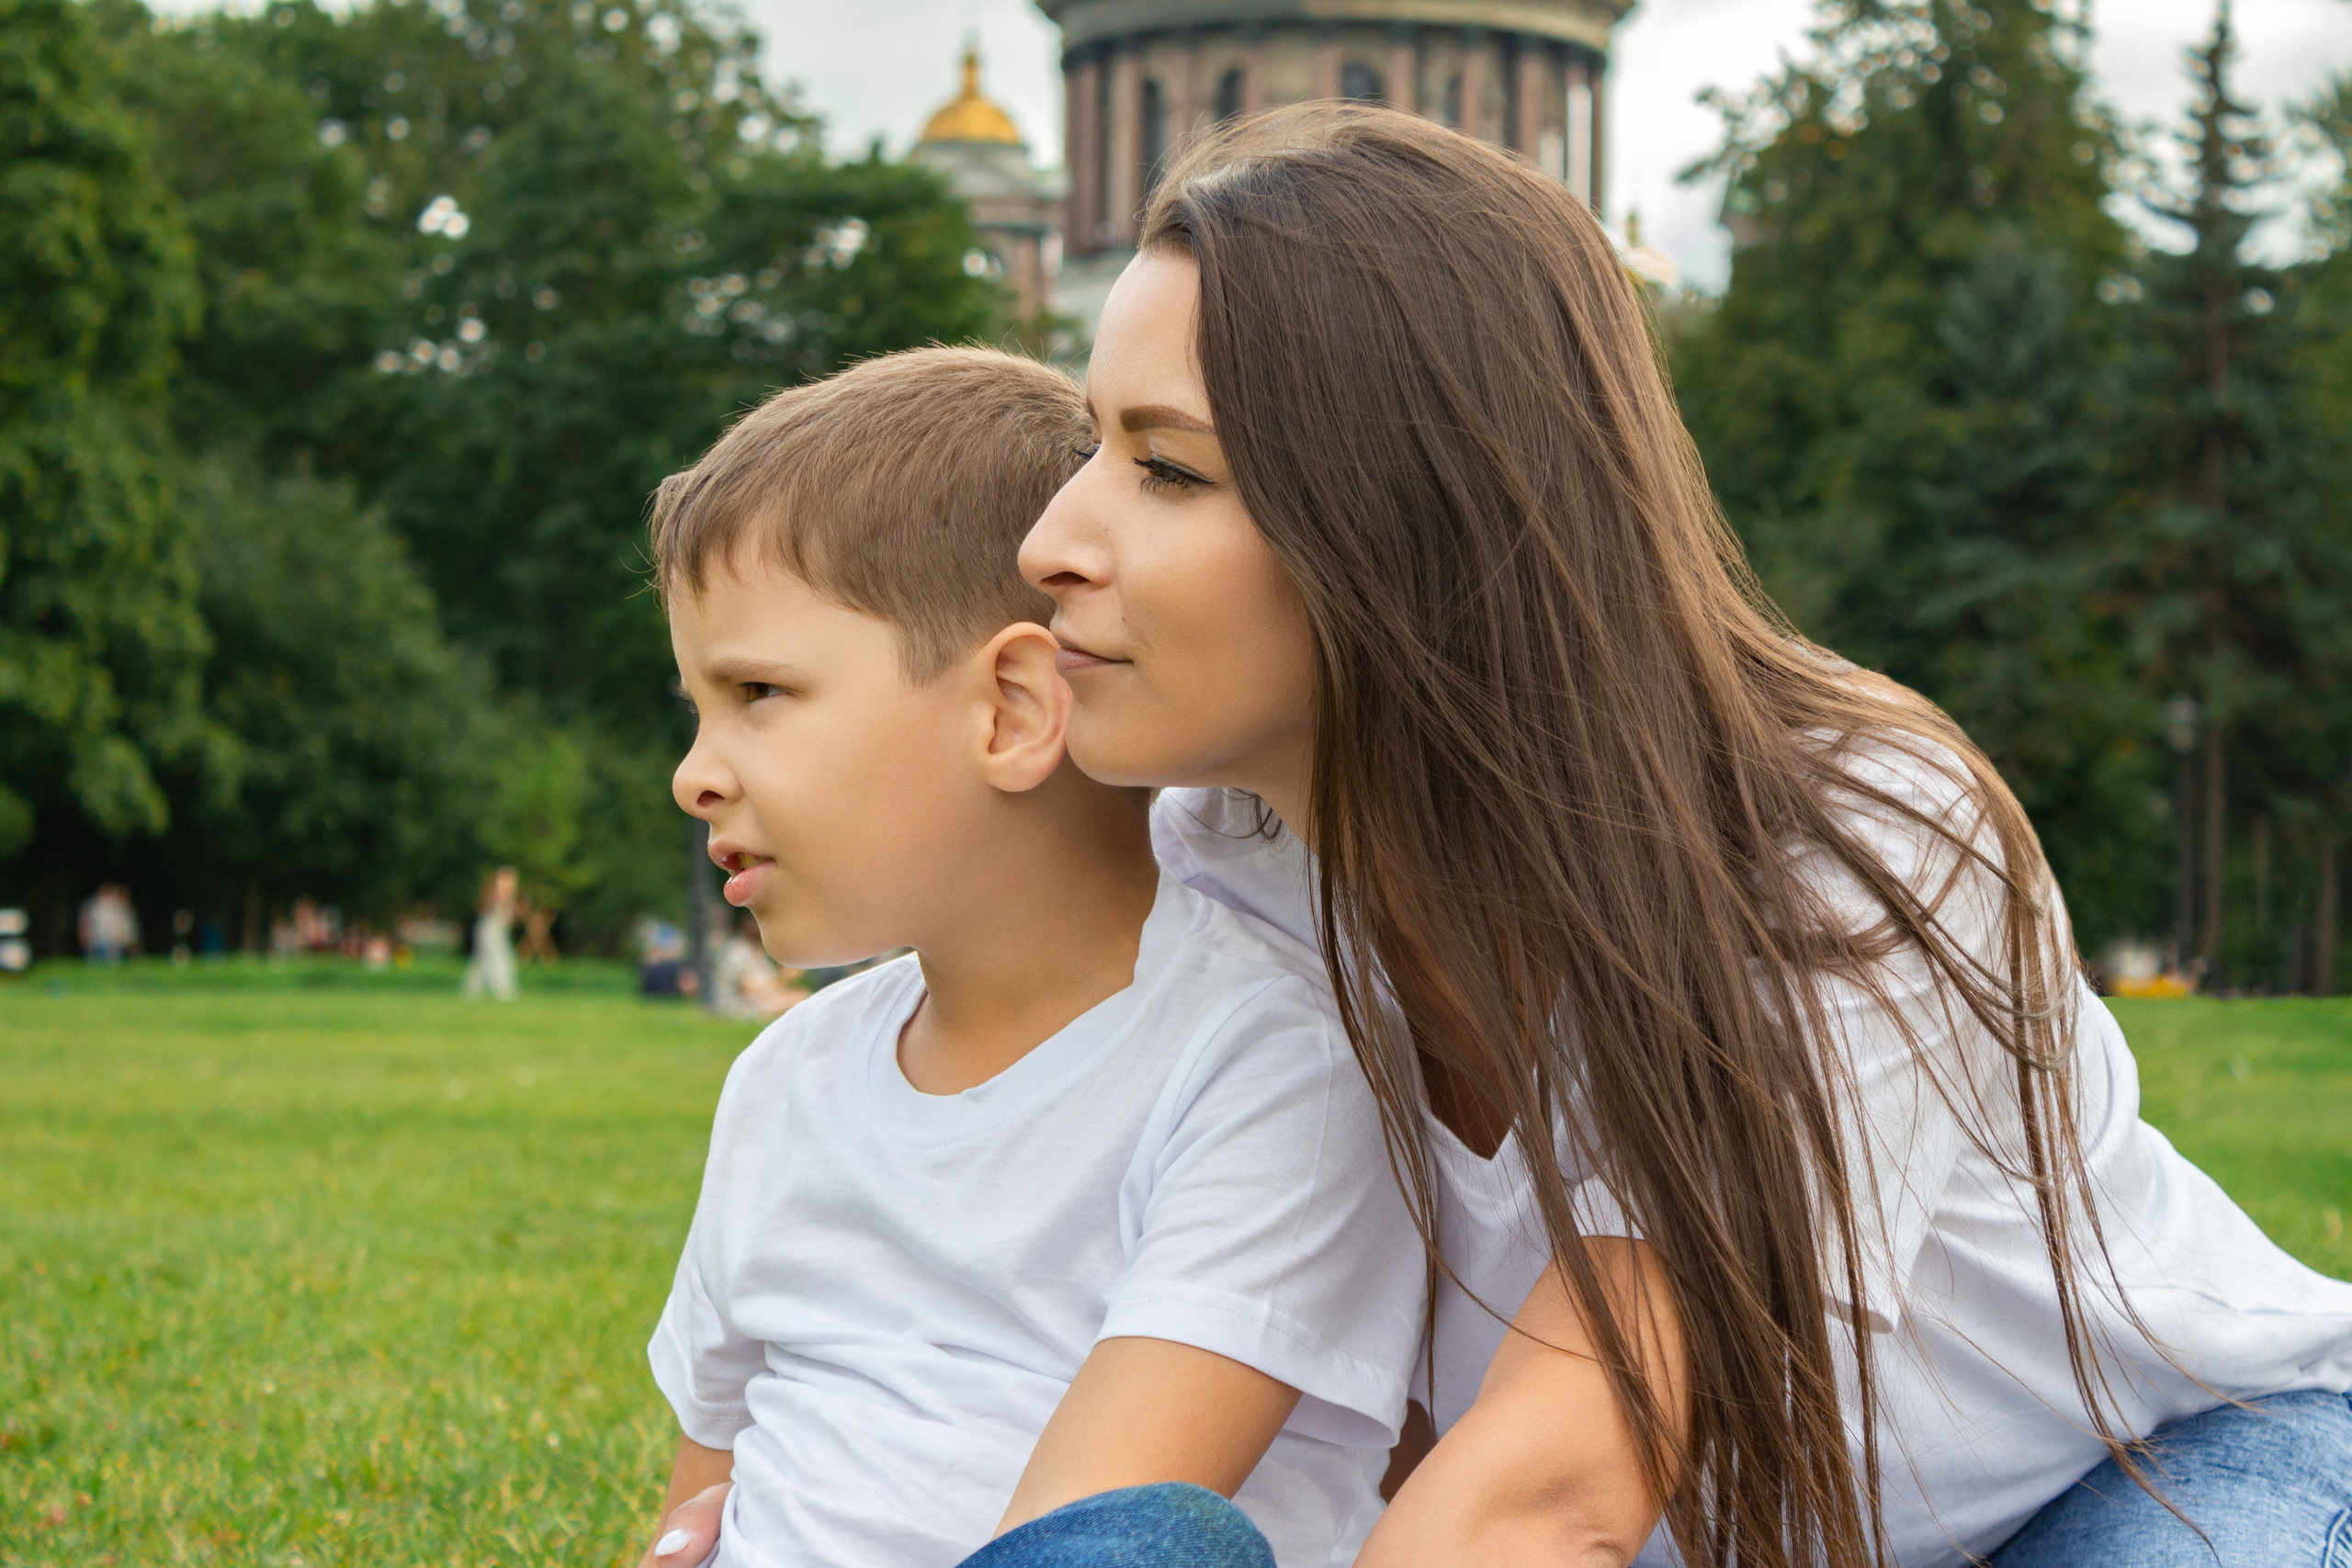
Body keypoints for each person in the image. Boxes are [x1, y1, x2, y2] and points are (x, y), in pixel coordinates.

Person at [1007, 106, 2352, 1567]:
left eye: (1170, 469)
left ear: (1410, 514)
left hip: (2149, 1467)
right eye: (1093, 444)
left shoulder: (1847, 838)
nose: (1051, 540)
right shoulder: (1221, 856)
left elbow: (1556, 1485)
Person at [637, 346, 1424, 1568]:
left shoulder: (1270, 1067)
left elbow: (1104, 1524)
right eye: (695, 704)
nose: (696, 770)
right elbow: (700, 1506)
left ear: (1009, 707)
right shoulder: (784, 1080)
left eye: (757, 692)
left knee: (1153, 1547)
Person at [461, 865, 518, 1001]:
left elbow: (510, 918)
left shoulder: (508, 894)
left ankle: (471, 991)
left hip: (498, 929)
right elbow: (484, 908)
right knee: (499, 958)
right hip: (489, 928)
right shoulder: (494, 893)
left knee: (482, 961)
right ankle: (503, 991)